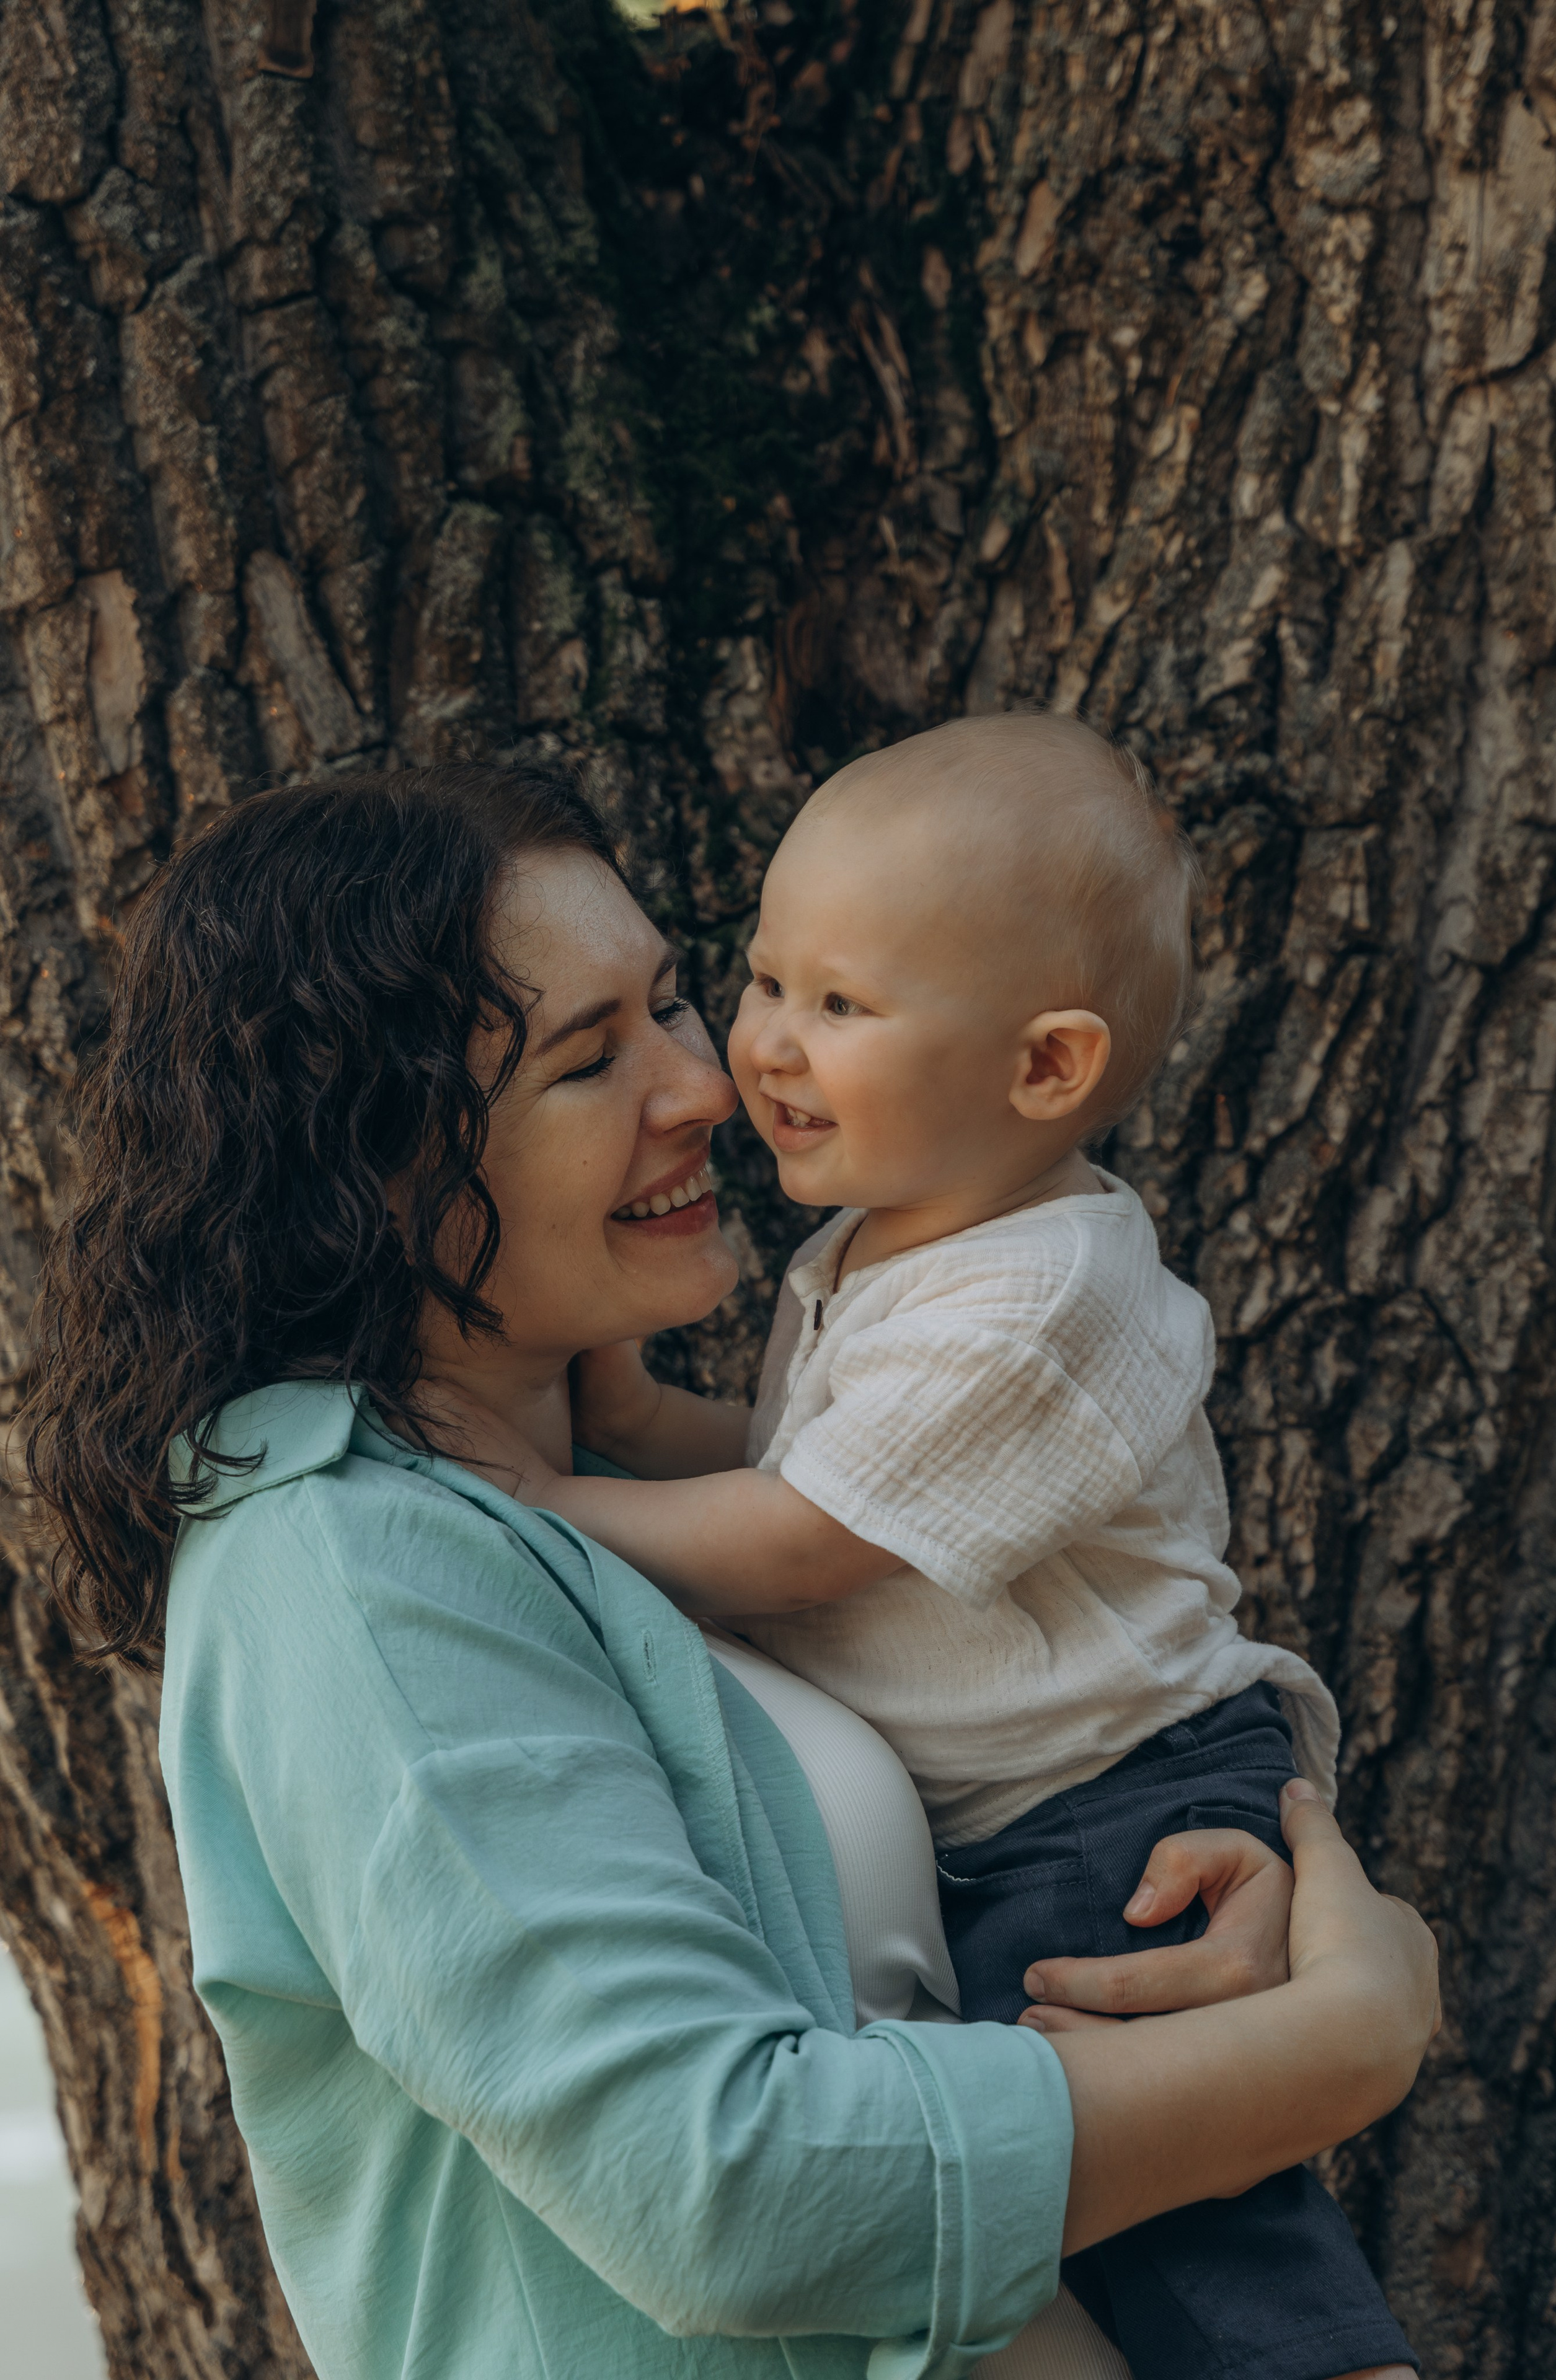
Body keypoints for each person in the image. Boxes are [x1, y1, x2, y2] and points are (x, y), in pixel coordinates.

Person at [21, 764, 1439, 2380]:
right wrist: (1334, 2045)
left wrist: (1173, 1885)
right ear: (379, 1159)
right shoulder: (349, 1558)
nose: (706, 1084)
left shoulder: (617, 1497)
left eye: (676, 1001)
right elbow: (721, 2186)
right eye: (588, 1058)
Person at [516, 715, 1417, 2379]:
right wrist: (644, 1430)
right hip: (1030, 1802)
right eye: (769, 981)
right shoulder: (899, 1240)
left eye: (841, 1005)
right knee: (1057, 2209)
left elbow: (803, 1541)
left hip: (1111, 1802)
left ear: (1046, 1069)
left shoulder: (1036, 1299)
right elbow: (813, 1477)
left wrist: (544, 1508)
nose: (762, 1051)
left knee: (1184, 2213)